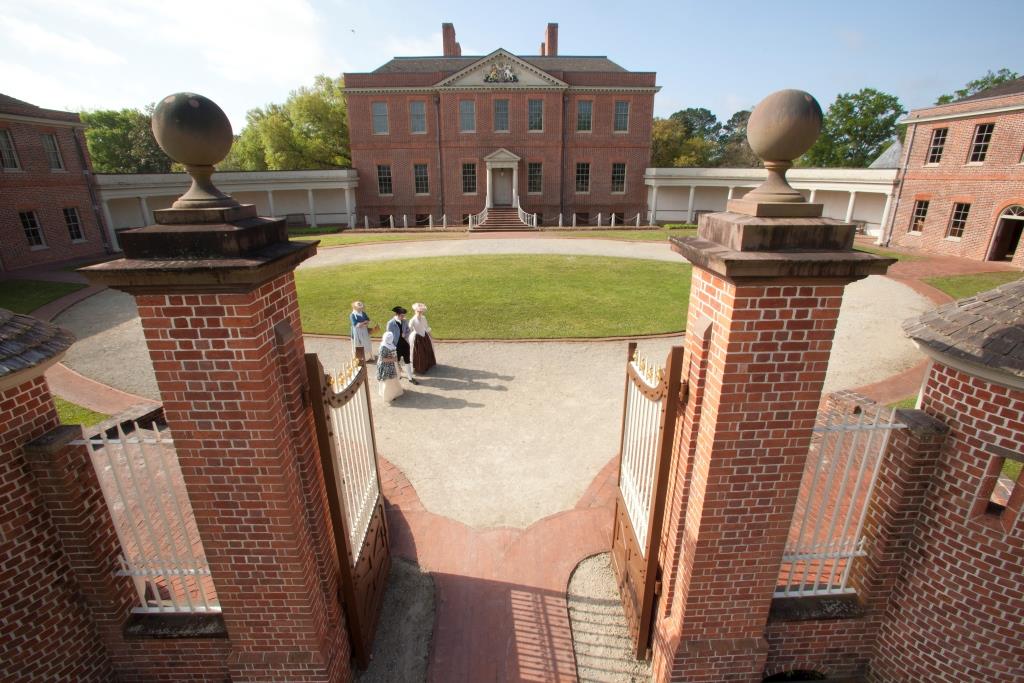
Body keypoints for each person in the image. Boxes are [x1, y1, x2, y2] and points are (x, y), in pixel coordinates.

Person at [386, 306, 418, 384]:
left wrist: (405, 334)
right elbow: (388, 335)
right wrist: (391, 346)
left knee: (407, 361)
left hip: (405, 344)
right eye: (402, 315)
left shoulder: (404, 321)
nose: (403, 317)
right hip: (396, 346)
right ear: (397, 314)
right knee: (397, 361)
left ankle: (410, 378)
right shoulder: (391, 323)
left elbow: (408, 330)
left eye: (404, 315)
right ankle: (398, 375)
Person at [408, 302, 436, 374]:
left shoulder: (423, 318)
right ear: (415, 311)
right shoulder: (412, 320)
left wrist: (431, 336)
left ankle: (428, 365)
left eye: (421, 311)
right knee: (419, 353)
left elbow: (426, 327)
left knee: (427, 350)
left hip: (424, 336)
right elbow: (409, 329)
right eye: (418, 311)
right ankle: (419, 367)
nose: (420, 313)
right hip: (417, 337)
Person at [376, 331, 404, 403]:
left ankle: (395, 393)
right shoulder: (383, 347)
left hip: (392, 365)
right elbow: (382, 359)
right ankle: (388, 396)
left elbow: (395, 355)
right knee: (388, 381)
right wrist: (393, 359)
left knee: (393, 380)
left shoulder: (391, 344)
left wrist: (398, 365)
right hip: (386, 367)